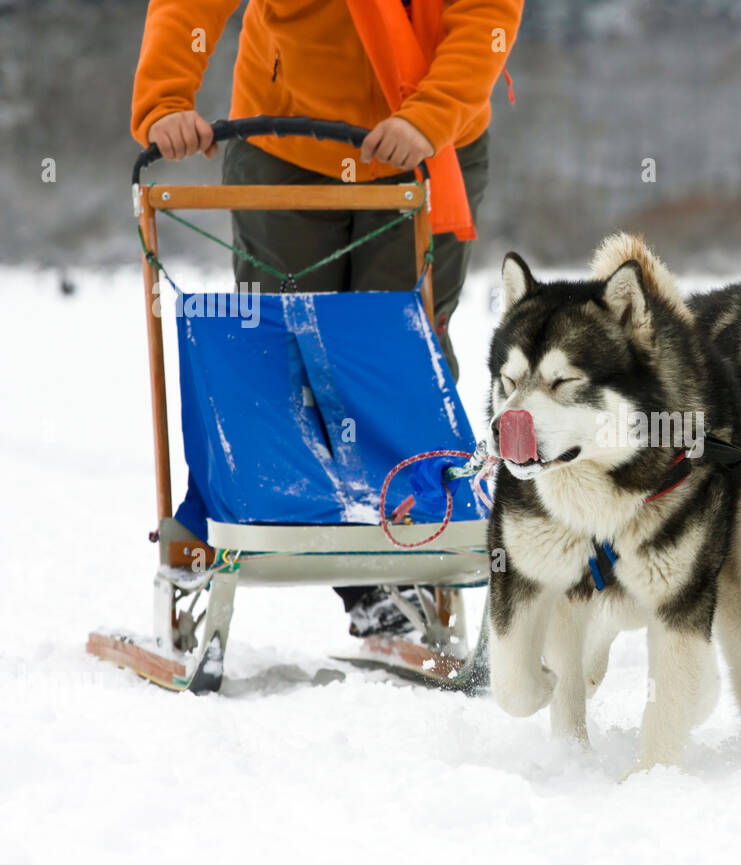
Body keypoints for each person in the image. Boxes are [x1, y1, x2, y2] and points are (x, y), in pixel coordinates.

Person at [130, 0, 523, 641]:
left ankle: (410, 548)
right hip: (285, 136)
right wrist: (166, 99)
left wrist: (428, 116)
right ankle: (323, 555)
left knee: (401, 356)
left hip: (432, 139)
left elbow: (487, 15)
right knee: (277, 354)